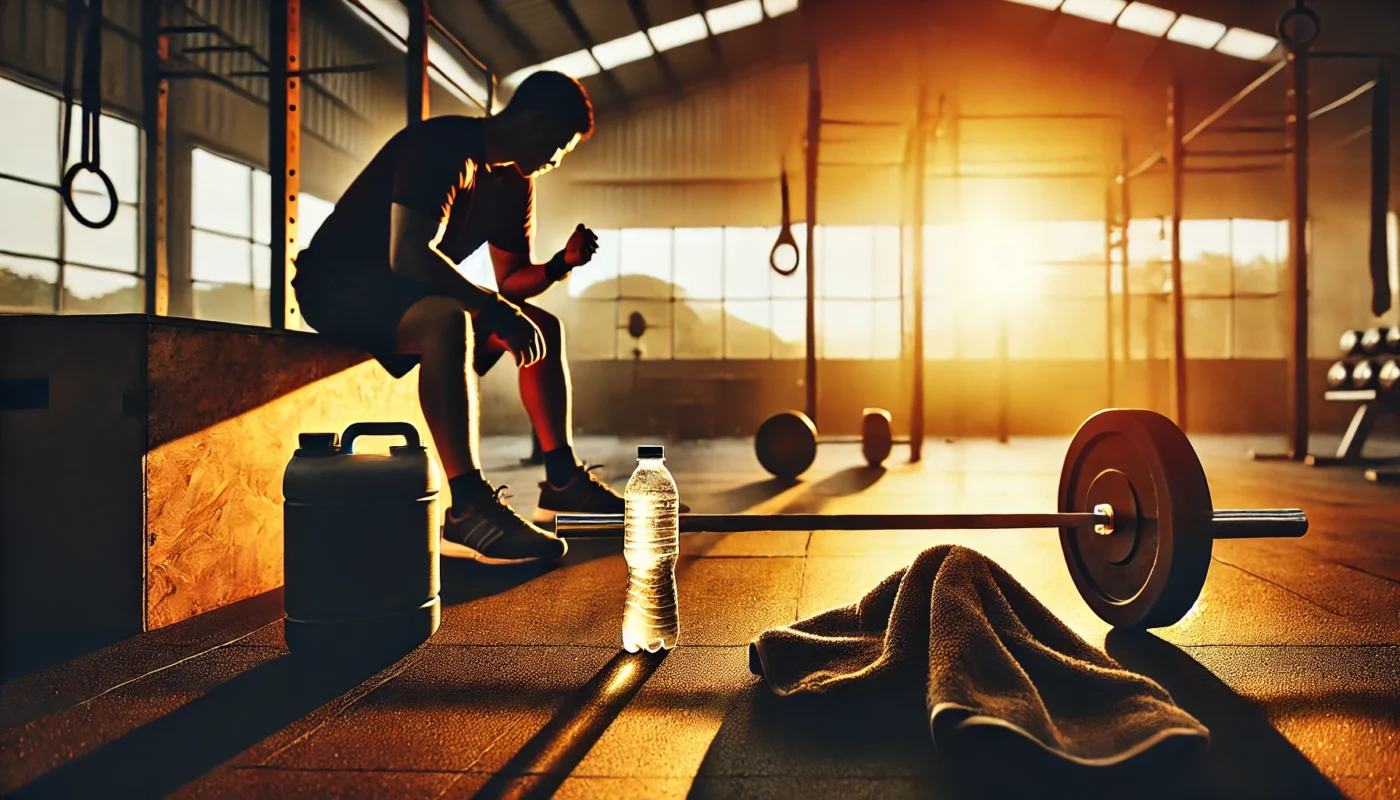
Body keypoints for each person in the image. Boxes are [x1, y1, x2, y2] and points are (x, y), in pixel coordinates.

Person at [292, 71, 620, 565]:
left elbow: (511, 280)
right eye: (558, 146)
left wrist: (559, 265)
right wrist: (490, 309)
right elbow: (407, 254)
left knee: (543, 328)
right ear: (535, 123)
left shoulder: (515, 182)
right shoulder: (442, 147)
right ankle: (467, 507)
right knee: (450, 320)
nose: (556, 160)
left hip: (403, 292)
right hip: (337, 285)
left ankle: (563, 480)